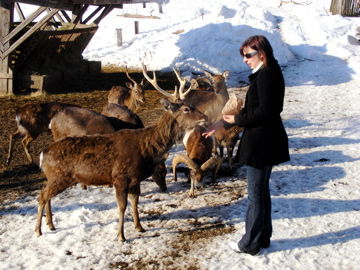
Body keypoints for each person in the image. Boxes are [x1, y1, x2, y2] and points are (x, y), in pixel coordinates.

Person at [203, 35, 290, 255]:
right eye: (243, 55)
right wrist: (222, 121)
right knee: (261, 192)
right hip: (265, 141)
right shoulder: (266, 73)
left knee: (255, 195)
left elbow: (267, 112)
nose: (244, 60)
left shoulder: (267, 75)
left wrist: (238, 120)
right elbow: (257, 109)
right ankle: (263, 237)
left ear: (262, 54)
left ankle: (250, 243)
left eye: (248, 55)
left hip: (262, 144)